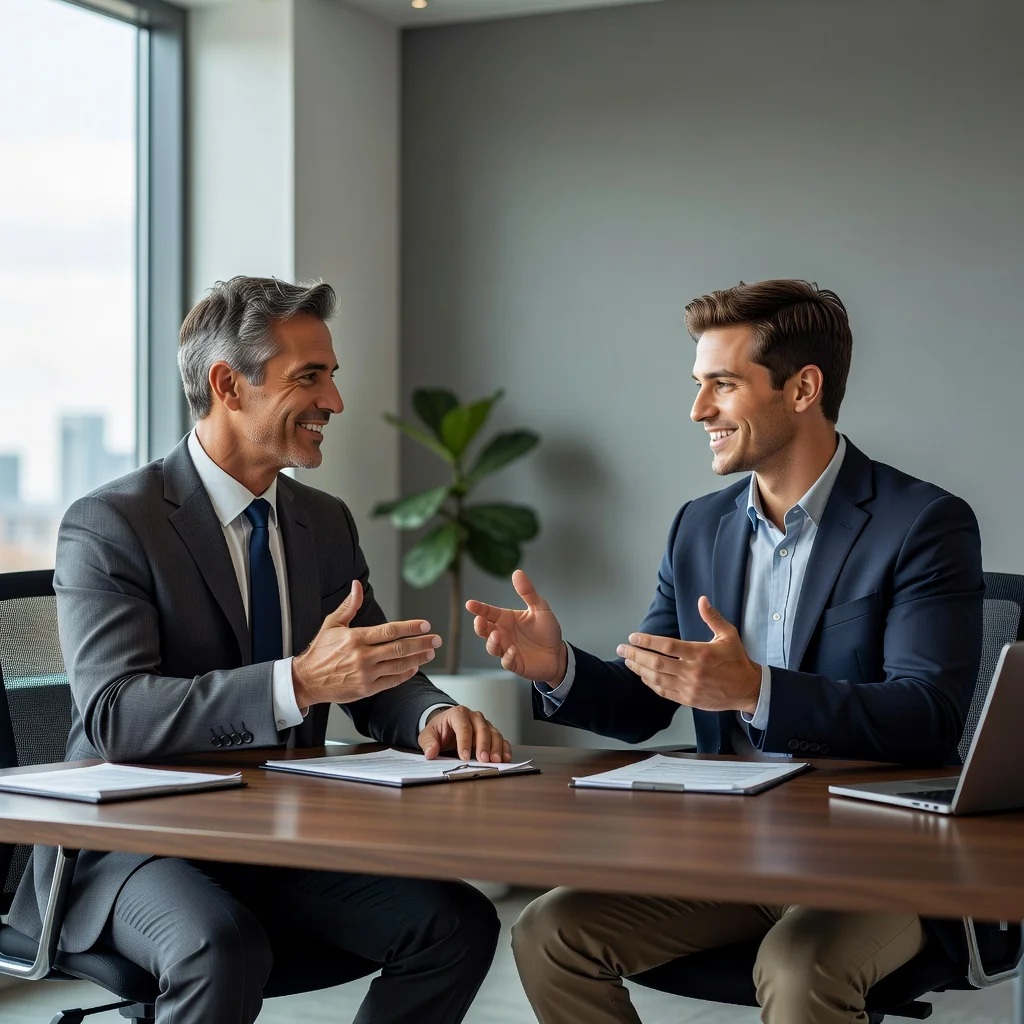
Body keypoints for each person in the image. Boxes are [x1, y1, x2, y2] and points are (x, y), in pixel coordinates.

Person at [466, 279, 984, 1024]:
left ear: (804, 387)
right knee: (550, 931)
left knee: (798, 963)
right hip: (737, 858)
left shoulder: (923, 523)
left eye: (722, 384)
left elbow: (928, 716)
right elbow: (651, 700)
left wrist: (756, 692)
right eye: (698, 384)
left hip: (878, 857)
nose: (698, 410)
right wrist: (559, 668)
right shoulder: (698, 527)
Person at [10, 276, 511, 1024]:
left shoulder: (323, 521)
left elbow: (370, 676)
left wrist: (432, 712)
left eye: (332, 376)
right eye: (309, 377)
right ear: (227, 385)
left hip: (273, 833)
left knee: (456, 925)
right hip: (133, 845)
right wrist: (298, 683)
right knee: (222, 946)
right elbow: (116, 714)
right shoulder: (112, 524)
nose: (335, 402)